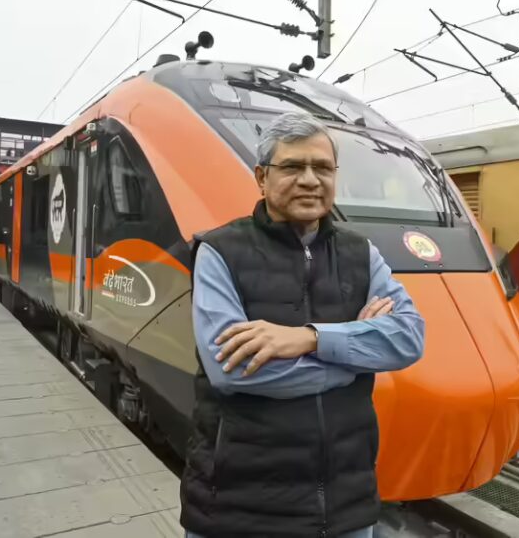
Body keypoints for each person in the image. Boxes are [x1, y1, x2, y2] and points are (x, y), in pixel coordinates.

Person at [180, 111, 426, 538]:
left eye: (322, 167)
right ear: (261, 177)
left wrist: (310, 339)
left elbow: (408, 338)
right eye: (292, 166)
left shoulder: (360, 254)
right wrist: (357, 357)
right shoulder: (219, 252)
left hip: (345, 506)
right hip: (239, 508)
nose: (310, 180)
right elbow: (232, 369)